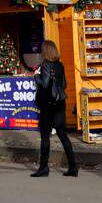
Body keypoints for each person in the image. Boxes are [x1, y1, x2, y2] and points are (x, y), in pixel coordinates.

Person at [31, 40, 77, 178]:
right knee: (62, 134)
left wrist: (36, 77)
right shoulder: (60, 65)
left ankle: (44, 168)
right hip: (59, 104)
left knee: (45, 135)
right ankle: (73, 166)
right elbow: (64, 84)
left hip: (48, 105)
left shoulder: (45, 65)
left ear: (46, 51)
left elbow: (44, 85)